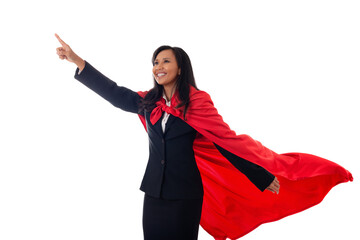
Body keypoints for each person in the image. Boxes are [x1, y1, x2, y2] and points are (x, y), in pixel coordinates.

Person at [55, 34, 351, 240]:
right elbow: (115, 93)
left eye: (165, 61)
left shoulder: (198, 104)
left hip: (186, 195)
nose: (158, 66)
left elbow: (225, 144)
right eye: (155, 62)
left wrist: (259, 175)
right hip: (154, 195)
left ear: (180, 68)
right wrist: (78, 61)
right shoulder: (148, 103)